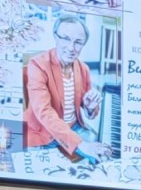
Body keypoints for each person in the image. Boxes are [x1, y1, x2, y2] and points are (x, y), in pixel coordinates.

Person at [22, 15, 111, 162]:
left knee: (104, 155)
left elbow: (89, 110)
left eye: (78, 42)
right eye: (65, 39)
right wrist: (80, 144)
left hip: (73, 128)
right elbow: (44, 112)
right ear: (55, 37)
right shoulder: (38, 65)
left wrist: (89, 108)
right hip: (42, 132)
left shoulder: (83, 69)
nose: (71, 48)